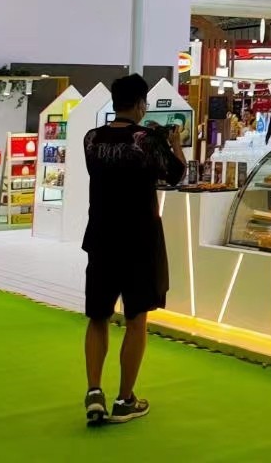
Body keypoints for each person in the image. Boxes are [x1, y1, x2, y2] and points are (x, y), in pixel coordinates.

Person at [81, 74, 185, 425]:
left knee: (98, 316)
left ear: (114, 102)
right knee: (136, 318)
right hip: (140, 240)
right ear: (141, 104)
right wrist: (175, 144)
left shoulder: (91, 139)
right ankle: (125, 398)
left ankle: (94, 392)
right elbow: (175, 174)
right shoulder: (147, 139)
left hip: (100, 237)